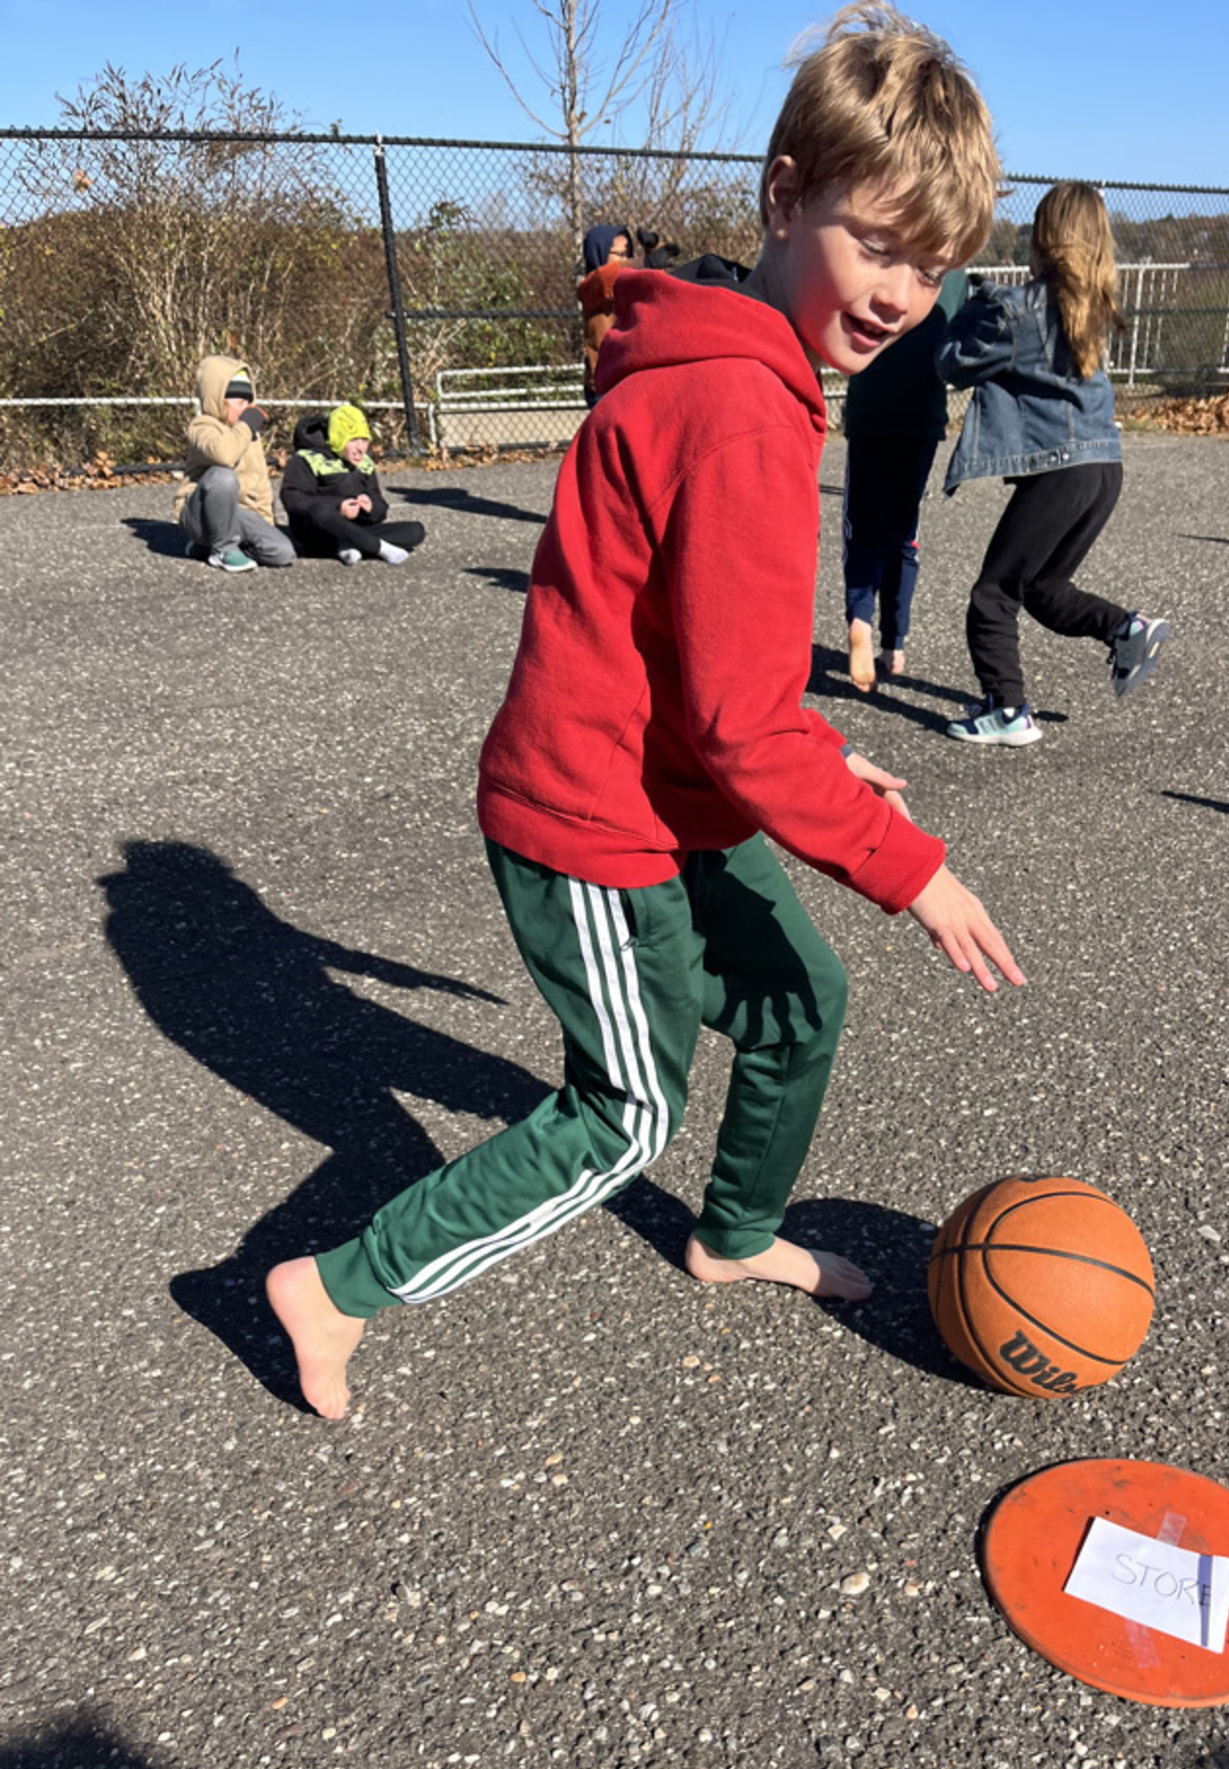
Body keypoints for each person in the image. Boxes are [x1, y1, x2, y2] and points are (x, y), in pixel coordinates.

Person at [266, 1, 1022, 1422]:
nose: (900, 292)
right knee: (626, 1113)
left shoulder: (744, 368)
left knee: (799, 1002)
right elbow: (741, 719)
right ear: (787, 196)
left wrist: (822, 754)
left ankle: (731, 1237)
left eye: (931, 265)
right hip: (593, 819)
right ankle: (338, 1285)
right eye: (878, 241)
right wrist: (907, 868)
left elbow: (712, 668)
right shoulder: (741, 401)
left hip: (667, 787)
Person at [935, 182, 1168, 745]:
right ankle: (1125, 628)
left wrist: (969, 301)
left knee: (992, 594)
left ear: (1044, 240)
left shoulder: (1019, 310)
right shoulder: (1093, 306)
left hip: (1064, 473)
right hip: (1104, 469)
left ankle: (1008, 711)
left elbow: (951, 363)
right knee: (1041, 588)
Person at [842, 264, 967, 689]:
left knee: (862, 529)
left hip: (871, 409)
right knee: (903, 529)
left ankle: (861, 618)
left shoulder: (879, 257)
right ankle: (894, 644)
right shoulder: (954, 275)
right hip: (921, 414)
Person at [175, 356, 295, 573]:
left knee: (282, 552)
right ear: (218, 400)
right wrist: (247, 424)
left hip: (237, 514)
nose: (248, 408)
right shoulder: (202, 426)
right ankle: (223, 549)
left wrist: (266, 522)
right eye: (240, 402)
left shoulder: (247, 433)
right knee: (222, 476)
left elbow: (258, 482)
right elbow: (224, 454)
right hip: (199, 513)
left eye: (250, 401)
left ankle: (208, 547)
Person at [280, 403, 426, 566]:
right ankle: (378, 547)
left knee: (415, 530)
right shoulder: (307, 459)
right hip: (317, 531)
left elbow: (380, 508)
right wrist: (338, 507)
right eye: (354, 440)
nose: (361, 448)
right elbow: (293, 499)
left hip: (354, 528)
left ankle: (349, 543)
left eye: (364, 440)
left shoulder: (365, 464)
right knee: (321, 511)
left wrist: (370, 508)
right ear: (338, 438)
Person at [577, 223, 633, 405]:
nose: (627, 259)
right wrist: (646, 261)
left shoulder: (630, 284)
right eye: (620, 254)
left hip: (630, 380)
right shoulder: (591, 286)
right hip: (604, 385)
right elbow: (606, 277)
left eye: (628, 254)